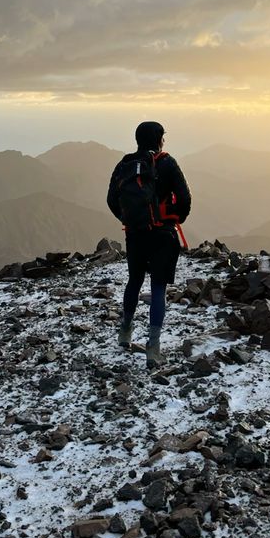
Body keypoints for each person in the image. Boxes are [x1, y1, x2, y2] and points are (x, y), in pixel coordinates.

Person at [106, 121, 191, 369]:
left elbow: (112, 199)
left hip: (135, 234)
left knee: (134, 280)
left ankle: (125, 332)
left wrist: (129, 220)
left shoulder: (125, 164)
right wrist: (173, 218)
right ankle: (153, 348)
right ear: (159, 139)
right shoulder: (167, 163)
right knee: (157, 288)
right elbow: (185, 198)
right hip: (163, 234)